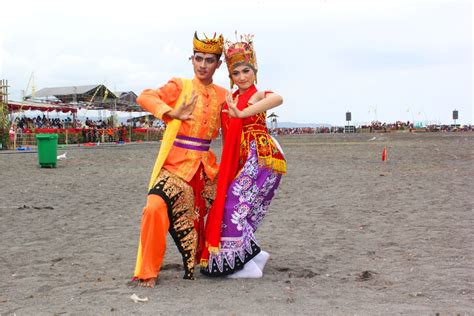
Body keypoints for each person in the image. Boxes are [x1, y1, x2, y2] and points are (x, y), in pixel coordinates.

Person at [132, 32, 227, 287]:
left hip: (207, 169)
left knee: (233, 206)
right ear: (192, 59)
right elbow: (145, 96)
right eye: (198, 59)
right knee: (153, 207)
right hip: (175, 166)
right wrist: (171, 112)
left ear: (218, 64)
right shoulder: (180, 86)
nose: (202, 65)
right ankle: (148, 271)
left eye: (209, 60)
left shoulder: (223, 95)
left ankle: (230, 259)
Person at [200, 34, 286, 278]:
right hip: (242, 158)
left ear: (254, 70)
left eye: (246, 70)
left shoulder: (256, 95)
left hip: (259, 155)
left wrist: (243, 112)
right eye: (236, 73)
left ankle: (246, 265)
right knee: (237, 205)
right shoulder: (232, 98)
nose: (242, 77)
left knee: (234, 204)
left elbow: (277, 98)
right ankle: (254, 254)